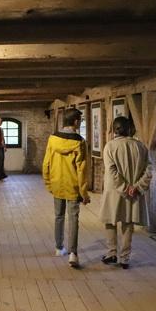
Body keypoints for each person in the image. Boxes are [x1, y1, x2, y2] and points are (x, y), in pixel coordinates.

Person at [99, 117, 152, 269]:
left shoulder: (110, 146)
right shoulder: (141, 147)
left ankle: (112, 253)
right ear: (129, 129)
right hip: (133, 192)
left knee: (110, 220)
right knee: (128, 223)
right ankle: (125, 258)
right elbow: (149, 170)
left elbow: (112, 171)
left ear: (115, 130)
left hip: (114, 190)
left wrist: (124, 187)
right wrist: (136, 187)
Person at [42, 107, 89, 268]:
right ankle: (73, 253)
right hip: (73, 185)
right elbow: (82, 170)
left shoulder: (52, 139)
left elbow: (46, 163)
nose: (80, 122)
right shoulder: (80, 142)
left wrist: (48, 182)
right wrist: (84, 193)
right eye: (80, 120)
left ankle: (58, 247)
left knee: (58, 216)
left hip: (56, 183)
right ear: (75, 121)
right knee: (73, 218)